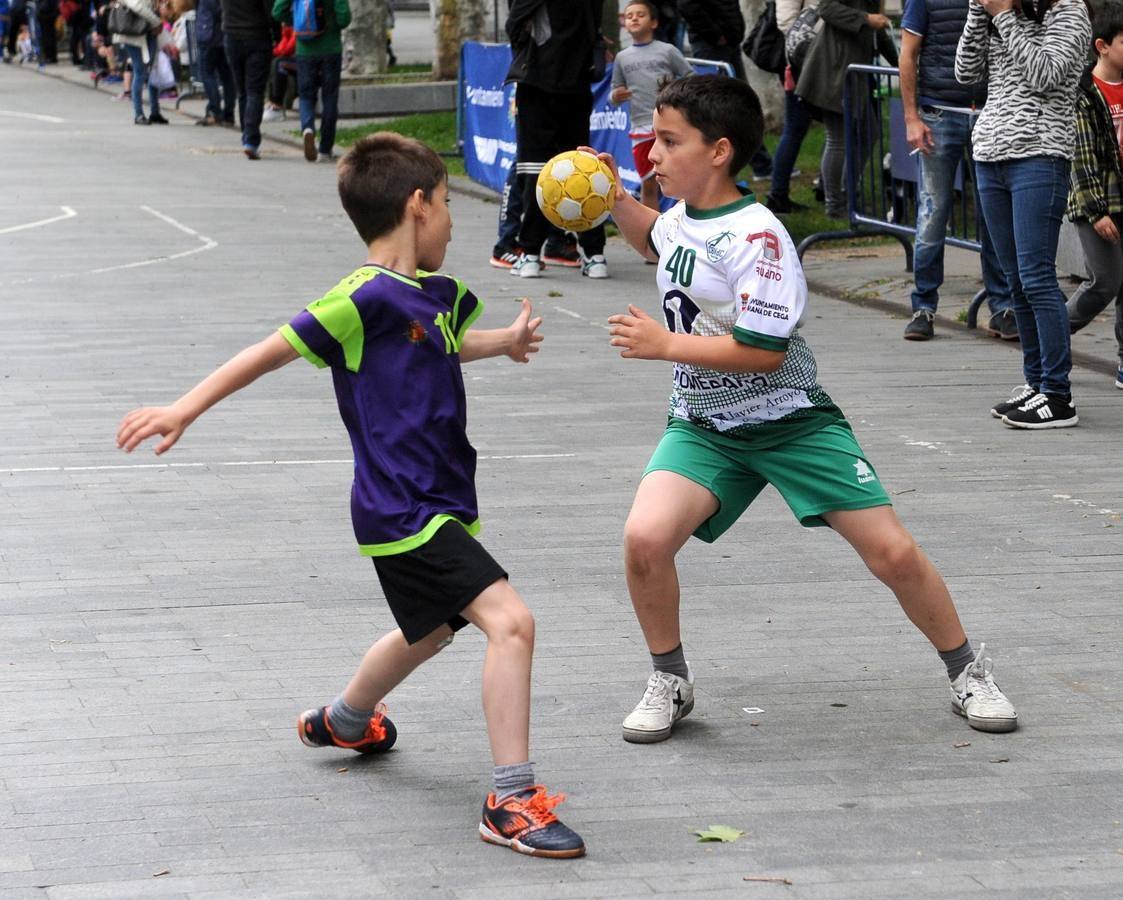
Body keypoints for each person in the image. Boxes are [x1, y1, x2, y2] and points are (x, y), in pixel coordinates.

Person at [115, 131, 586, 861]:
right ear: (417, 204)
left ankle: (344, 719)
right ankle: (511, 800)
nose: (456, 221)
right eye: (449, 206)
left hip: (438, 500)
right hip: (402, 507)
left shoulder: (436, 296)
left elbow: (441, 341)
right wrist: (184, 408)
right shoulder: (358, 299)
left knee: (429, 631)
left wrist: (505, 342)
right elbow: (265, 351)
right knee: (511, 624)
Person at [587, 74, 1017, 746]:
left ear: (719, 151)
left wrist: (663, 343)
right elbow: (656, 241)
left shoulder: (758, 238)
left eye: (669, 143)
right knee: (644, 540)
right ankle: (669, 678)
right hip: (704, 427)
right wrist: (609, 196)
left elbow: (761, 351)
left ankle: (967, 672)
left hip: (790, 421)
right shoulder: (680, 219)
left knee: (893, 554)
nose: (653, 156)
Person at [957, 0, 1090, 428]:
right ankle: (1035, 384)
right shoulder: (997, 14)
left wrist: (1004, 17)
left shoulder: (1068, 12)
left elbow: (1046, 75)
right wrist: (980, 13)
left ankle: (1058, 394)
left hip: (1039, 155)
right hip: (990, 153)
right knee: (1015, 279)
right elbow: (965, 72)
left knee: (1036, 277)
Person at [899, 0, 1015, 342]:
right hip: (940, 112)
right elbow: (908, 53)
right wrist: (911, 118)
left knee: (993, 214)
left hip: (989, 113)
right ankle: (923, 307)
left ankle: (1003, 306)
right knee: (933, 213)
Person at [505, 0, 610, 279]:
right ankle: (594, 254)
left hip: (539, 83)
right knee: (583, 170)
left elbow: (514, 23)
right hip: (577, 83)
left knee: (535, 170)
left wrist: (525, 55)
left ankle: (529, 254)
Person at [796, 0, 898, 219]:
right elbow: (827, 8)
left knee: (869, 132)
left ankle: (847, 194)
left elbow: (876, 32)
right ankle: (835, 204)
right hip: (834, 69)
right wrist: (866, 19)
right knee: (838, 139)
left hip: (851, 72)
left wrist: (902, 63)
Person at [1066, 2, 1123, 391]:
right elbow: (1081, 157)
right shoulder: (1085, 92)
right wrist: (1097, 210)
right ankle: (1049, 337)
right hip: (1097, 204)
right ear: (1102, 46)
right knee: (1105, 281)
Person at [610, 0, 694, 212]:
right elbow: (613, 93)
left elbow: (690, 77)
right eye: (629, 16)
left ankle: (688, 226)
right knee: (649, 183)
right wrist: (617, 96)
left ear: (654, 22)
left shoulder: (668, 50)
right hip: (641, 129)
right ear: (624, 24)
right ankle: (653, 232)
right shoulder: (621, 58)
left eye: (640, 14)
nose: (634, 18)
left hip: (671, 125)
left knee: (683, 178)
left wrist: (677, 92)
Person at [678, 0, 775, 180]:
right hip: (711, 45)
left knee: (742, 104)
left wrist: (734, 32)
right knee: (717, 109)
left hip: (729, 41)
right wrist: (715, 34)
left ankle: (761, 164)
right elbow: (688, 6)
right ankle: (717, 166)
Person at [272, 0, 350, 162]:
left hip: (305, 50)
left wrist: (298, 21)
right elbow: (344, 18)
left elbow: (278, 11)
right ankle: (324, 149)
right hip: (331, 49)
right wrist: (330, 26)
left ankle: (307, 128)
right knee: (329, 98)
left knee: (306, 95)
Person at [765, 0, 816, 215]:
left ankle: (828, 187)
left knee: (834, 129)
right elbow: (786, 22)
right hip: (799, 63)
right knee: (795, 128)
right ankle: (778, 194)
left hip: (816, 60)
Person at [221, 0, 273, 160]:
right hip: (257, 35)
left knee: (243, 90)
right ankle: (250, 140)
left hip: (231, 35)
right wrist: (276, 33)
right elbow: (269, 9)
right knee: (255, 91)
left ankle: (246, 135)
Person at [114, 0, 169, 125]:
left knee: (152, 71)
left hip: (147, 32)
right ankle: (138, 114)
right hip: (134, 34)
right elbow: (136, 6)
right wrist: (156, 21)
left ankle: (154, 112)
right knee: (140, 72)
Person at [194, 0, 235, 126]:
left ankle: (214, 110)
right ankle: (228, 114)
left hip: (208, 32)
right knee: (226, 75)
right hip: (224, 33)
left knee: (207, 73)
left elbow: (214, 8)